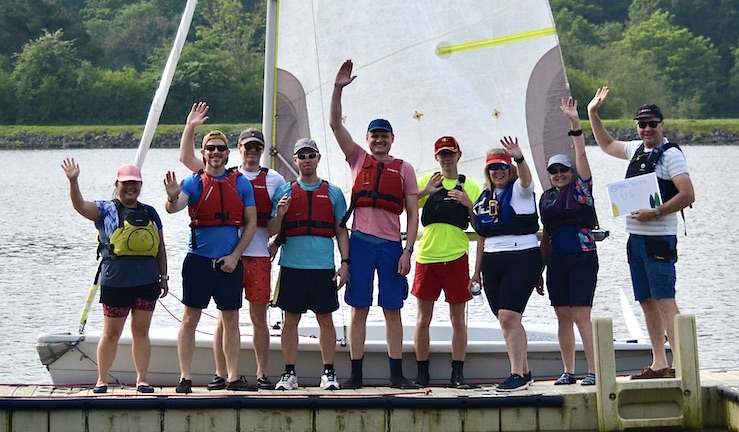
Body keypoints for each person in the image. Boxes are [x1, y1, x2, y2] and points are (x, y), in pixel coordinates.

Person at [587, 87, 695, 379]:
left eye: (652, 124)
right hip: (635, 238)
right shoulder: (636, 149)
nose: (647, 129)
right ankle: (659, 362)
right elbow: (607, 145)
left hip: (659, 237)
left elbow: (687, 194)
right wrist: (592, 113)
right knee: (646, 301)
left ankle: (682, 363)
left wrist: (656, 212)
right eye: (642, 124)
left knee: (664, 300)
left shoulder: (672, 155)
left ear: (662, 125)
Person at [177, 102, 286, 390]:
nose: (251, 151)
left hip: (256, 255)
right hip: (219, 257)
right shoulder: (216, 172)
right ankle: (220, 373)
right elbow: (185, 158)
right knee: (224, 320)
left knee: (256, 317)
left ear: (262, 149)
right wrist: (190, 128)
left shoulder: (274, 179)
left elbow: (277, 218)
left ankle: (261, 373)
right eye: (246, 146)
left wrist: (278, 240)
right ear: (237, 149)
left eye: (256, 147)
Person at [330, 59, 420, 389]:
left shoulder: (404, 169)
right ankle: (356, 374)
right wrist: (338, 89)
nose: (379, 140)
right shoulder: (357, 158)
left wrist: (408, 250)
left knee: (392, 309)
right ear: (367, 139)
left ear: (392, 139)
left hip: (392, 246)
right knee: (359, 308)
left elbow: (413, 214)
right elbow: (335, 125)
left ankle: (397, 374)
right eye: (374, 136)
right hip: (362, 243)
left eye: (384, 136)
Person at [61, 159, 168, 394]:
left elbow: (160, 246)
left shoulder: (150, 212)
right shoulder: (105, 209)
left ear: (141, 186)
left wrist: (164, 277)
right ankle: (102, 380)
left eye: (135, 184)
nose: (131, 188)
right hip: (116, 280)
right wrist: (73, 181)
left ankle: (142, 380)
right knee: (111, 333)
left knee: (141, 332)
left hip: (147, 280)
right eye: (126, 184)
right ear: (117, 184)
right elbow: (80, 206)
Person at [164, 129, 258, 393]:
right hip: (198, 262)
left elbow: (250, 223)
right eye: (210, 149)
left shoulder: (241, 183)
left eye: (220, 149)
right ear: (203, 153)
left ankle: (232, 377)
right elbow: (174, 207)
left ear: (228, 153)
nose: (215, 153)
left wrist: (235, 256)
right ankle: (185, 377)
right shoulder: (194, 182)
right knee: (190, 318)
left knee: (231, 319)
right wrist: (172, 195)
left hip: (229, 262)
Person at [266, 138, 350, 391]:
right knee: (291, 319)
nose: (306, 160)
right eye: (301, 156)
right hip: (292, 266)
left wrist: (345, 263)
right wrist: (280, 214)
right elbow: (271, 229)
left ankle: (329, 373)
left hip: (323, 267)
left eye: (311, 155)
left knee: (326, 318)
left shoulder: (333, 193)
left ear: (318, 158)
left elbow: (341, 231)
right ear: (295, 160)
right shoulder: (285, 192)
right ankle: (289, 373)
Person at [470, 137, 541, 392]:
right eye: (493, 168)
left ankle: (515, 375)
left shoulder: (520, 190)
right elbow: (481, 234)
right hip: (492, 260)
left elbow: (526, 178)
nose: (498, 172)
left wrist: (519, 158)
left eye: (502, 167)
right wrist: (476, 271)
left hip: (521, 256)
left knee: (509, 316)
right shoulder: (484, 197)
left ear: (508, 169)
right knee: (506, 320)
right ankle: (524, 370)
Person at [537, 97, 598, 387]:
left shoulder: (582, 187)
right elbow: (546, 236)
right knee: (562, 316)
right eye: (554, 172)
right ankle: (568, 371)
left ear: (571, 172)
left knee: (581, 314)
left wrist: (574, 123)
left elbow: (581, 155)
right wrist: (539, 268)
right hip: (557, 260)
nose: (559, 174)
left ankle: (594, 370)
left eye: (563, 170)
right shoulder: (545, 198)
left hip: (582, 256)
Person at [412, 136, 481, 388]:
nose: (447, 158)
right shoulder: (427, 181)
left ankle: (457, 373)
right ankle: (422, 373)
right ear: (436, 157)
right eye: (442, 154)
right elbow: (405, 206)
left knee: (458, 319)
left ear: (459, 155)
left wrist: (468, 204)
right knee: (423, 319)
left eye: (450, 153)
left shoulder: (471, 186)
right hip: (427, 257)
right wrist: (425, 192)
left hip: (456, 257)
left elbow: (480, 226)